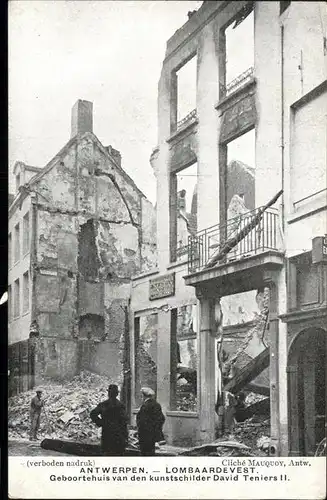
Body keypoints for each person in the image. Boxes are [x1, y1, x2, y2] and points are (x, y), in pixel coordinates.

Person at [90, 384, 128, 456]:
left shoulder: (103, 404)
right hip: (118, 437)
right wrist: (126, 438)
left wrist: (101, 423)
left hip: (107, 435)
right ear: (117, 394)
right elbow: (124, 422)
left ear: (108, 393)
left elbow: (92, 414)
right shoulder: (121, 406)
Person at [136, 387, 165, 456]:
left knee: (144, 452)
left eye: (141, 396)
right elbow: (162, 418)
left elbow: (142, 421)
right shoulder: (157, 404)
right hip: (153, 434)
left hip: (145, 434)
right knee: (151, 452)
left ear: (143, 396)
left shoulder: (145, 406)